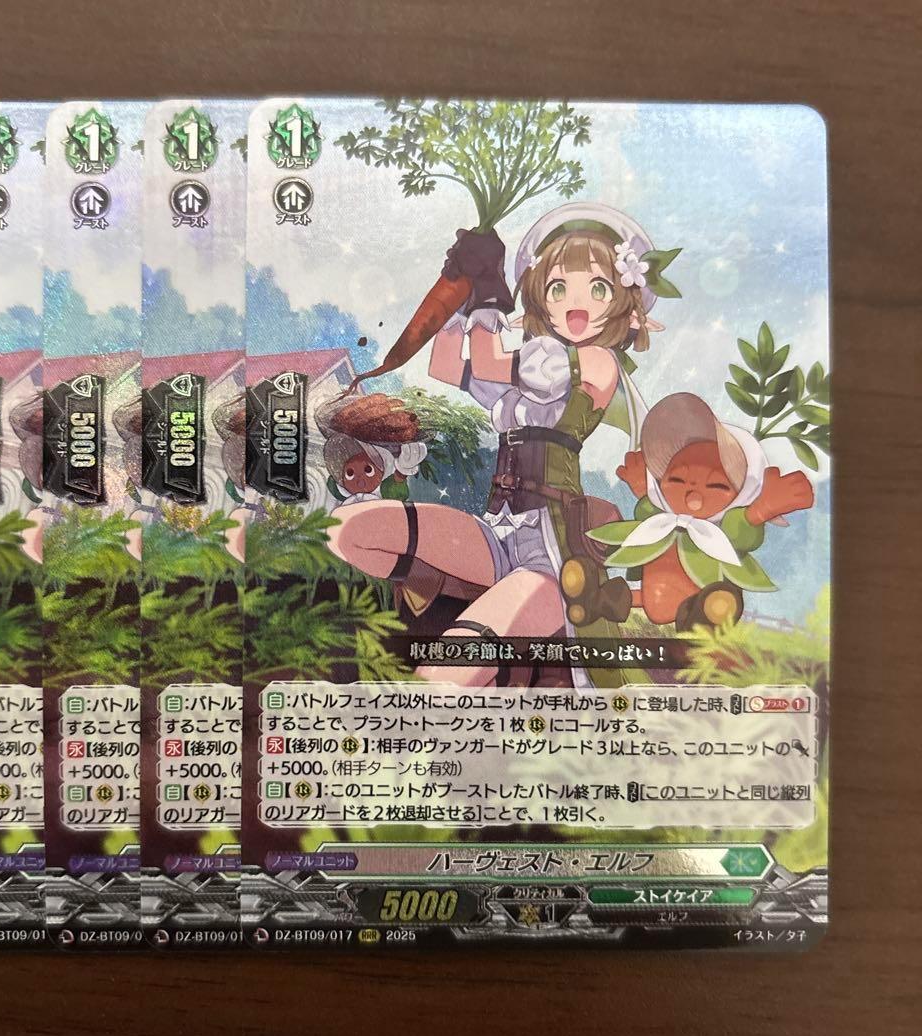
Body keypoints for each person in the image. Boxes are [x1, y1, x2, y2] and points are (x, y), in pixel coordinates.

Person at [327, 203, 681, 687]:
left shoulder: (596, 362)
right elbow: (445, 366)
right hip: (497, 535)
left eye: (598, 289)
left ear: (622, 302)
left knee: (440, 677)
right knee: (348, 528)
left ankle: (498, 639)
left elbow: (490, 362)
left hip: (552, 556)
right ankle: (457, 594)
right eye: (559, 288)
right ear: (540, 296)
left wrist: (489, 293)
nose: (576, 305)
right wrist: (460, 284)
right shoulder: (526, 386)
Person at [568, 392, 814, 630]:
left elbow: (740, 534)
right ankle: (595, 600)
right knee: (625, 589)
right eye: (676, 480)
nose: (691, 495)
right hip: (650, 589)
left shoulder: (720, 537)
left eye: (716, 486)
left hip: (696, 599)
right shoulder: (659, 523)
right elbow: (647, 513)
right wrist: (643, 489)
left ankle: (707, 613)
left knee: (716, 599)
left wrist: (761, 509)